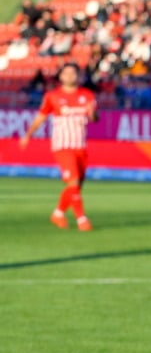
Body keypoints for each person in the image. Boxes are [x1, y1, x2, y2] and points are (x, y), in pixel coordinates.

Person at [19, 63, 99, 231]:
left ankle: (58, 213)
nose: (69, 76)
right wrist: (28, 134)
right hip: (62, 145)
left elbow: (94, 118)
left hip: (80, 146)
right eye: (66, 73)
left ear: (79, 76)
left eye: (73, 73)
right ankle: (81, 219)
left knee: (75, 186)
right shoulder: (52, 96)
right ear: (60, 76)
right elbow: (41, 117)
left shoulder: (87, 95)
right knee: (73, 181)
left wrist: (93, 114)